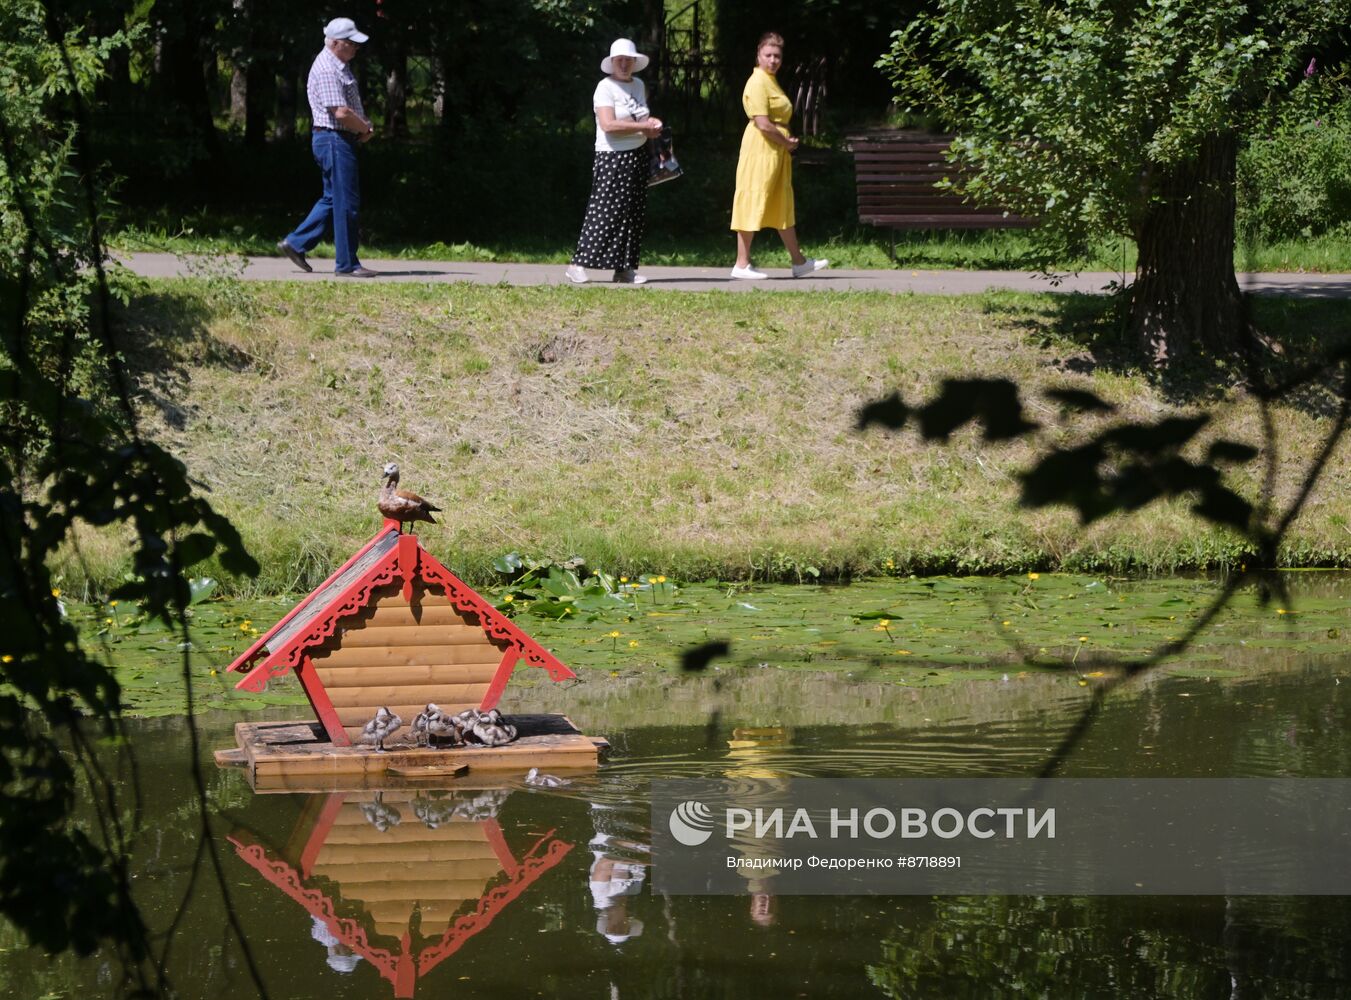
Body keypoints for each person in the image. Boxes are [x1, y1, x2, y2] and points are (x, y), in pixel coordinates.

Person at [278, 17, 378, 278]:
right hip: (333, 138)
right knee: (347, 202)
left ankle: (296, 243)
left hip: (336, 138)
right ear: (335, 43)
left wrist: (362, 126)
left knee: (333, 199)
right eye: (351, 43)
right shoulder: (326, 69)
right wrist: (364, 128)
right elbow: (341, 112)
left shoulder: (339, 65)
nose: (356, 48)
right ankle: (347, 264)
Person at [729, 32, 828, 280]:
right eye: (768, 55)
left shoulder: (770, 80)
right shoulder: (757, 81)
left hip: (775, 151)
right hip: (761, 149)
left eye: (777, 56)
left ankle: (799, 261)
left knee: (781, 202)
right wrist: (786, 141)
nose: (773, 60)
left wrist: (785, 143)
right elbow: (762, 123)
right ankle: (741, 264)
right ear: (758, 56)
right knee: (753, 198)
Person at [566, 39, 664, 285]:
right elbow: (608, 125)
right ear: (611, 63)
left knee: (632, 214)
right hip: (612, 157)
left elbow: (641, 115)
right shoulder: (604, 87)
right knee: (604, 211)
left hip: (637, 155)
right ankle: (578, 264)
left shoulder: (638, 85)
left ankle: (624, 269)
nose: (624, 64)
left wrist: (653, 123)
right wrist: (643, 127)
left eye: (628, 60)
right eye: (620, 60)